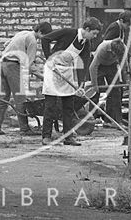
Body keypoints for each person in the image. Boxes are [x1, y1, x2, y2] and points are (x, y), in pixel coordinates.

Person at [40, 17, 103, 146]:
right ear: (87, 29)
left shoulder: (86, 44)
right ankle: (46, 136)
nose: (95, 36)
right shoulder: (69, 32)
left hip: (66, 71)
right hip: (53, 70)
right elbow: (45, 39)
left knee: (68, 106)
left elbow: (84, 64)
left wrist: (81, 85)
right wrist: (49, 59)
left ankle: (68, 137)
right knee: (51, 105)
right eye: (94, 33)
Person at [0, 21, 53, 136]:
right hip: (12, 66)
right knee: (20, 98)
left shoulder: (23, 33)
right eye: (44, 35)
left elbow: (7, 44)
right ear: (39, 32)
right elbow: (30, 66)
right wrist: (44, 77)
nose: (44, 38)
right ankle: (24, 128)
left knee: (4, 97)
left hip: (3, 63)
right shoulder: (32, 40)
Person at [88, 38, 127, 128]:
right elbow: (92, 68)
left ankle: (113, 121)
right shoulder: (103, 49)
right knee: (95, 93)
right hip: (100, 66)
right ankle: (90, 121)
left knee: (116, 92)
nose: (115, 56)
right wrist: (94, 85)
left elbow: (124, 64)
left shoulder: (123, 49)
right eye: (114, 54)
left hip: (112, 66)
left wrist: (124, 79)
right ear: (111, 50)